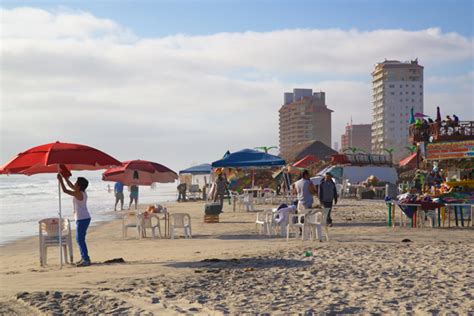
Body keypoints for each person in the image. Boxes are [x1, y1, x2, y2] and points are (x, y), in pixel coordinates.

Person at [57, 173, 91, 267]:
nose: (74, 184)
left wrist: (60, 180)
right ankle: (84, 257)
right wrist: (64, 177)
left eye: (76, 183)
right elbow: (71, 186)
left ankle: (86, 259)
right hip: (83, 218)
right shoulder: (81, 192)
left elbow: (65, 190)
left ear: (79, 186)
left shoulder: (78, 193)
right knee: (80, 239)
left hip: (82, 219)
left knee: (80, 239)